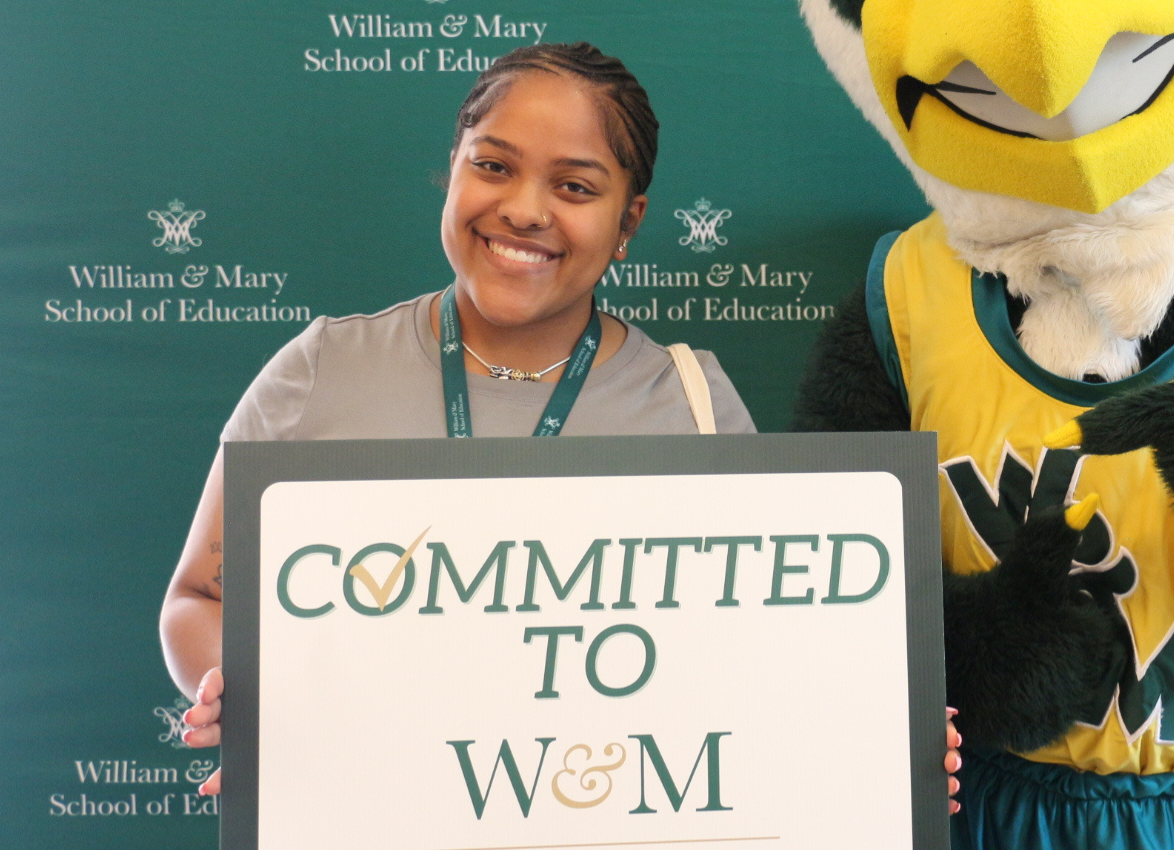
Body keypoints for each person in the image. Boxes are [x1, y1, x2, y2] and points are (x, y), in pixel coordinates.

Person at [159, 42, 758, 793]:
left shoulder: (694, 404)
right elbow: (198, 599)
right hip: (366, 817)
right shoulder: (322, 370)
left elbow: (758, 660)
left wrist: (878, 726)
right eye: (494, 165)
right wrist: (247, 694)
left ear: (628, 221)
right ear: (453, 168)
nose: (523, 209)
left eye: (574, 187)